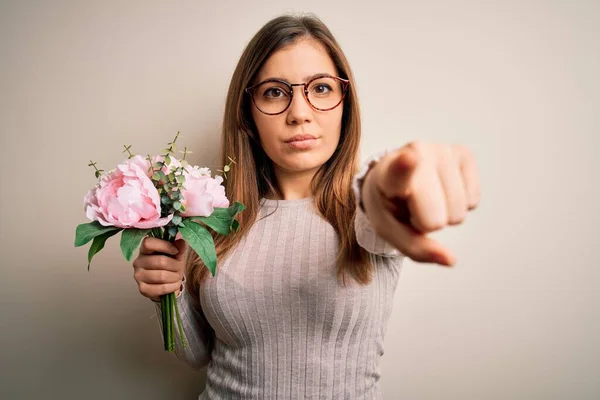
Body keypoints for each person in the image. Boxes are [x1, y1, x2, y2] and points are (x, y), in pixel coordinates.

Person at [132, 13, 480, 399]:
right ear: (248, 114)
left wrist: (387, 183)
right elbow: (198, 355)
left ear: (345, 104)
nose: (299, 112)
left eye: (322, 88)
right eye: (275, 92)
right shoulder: (212, 216)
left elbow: (378, 193)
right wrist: (171, 290)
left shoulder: (364, 212)